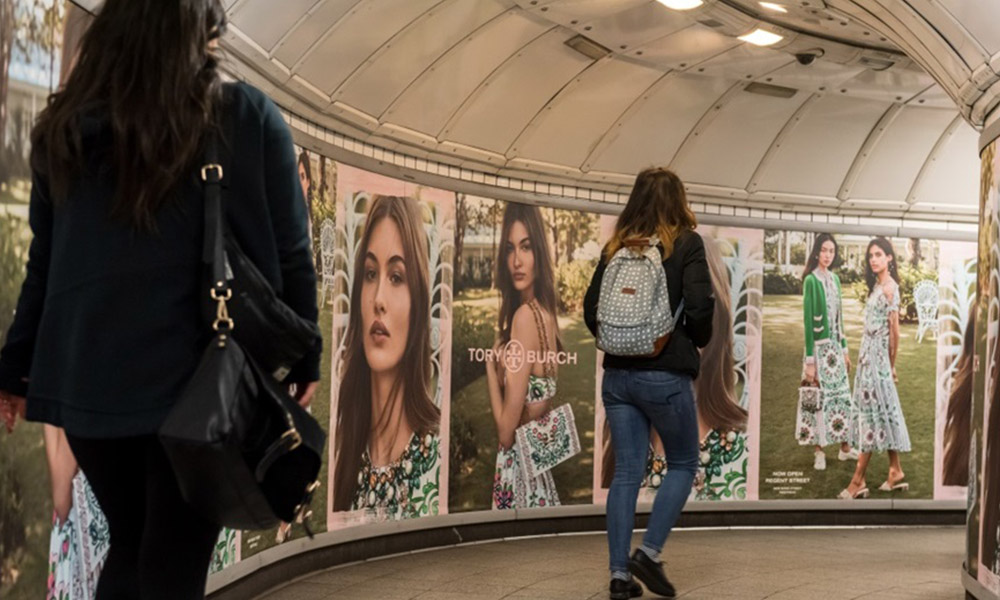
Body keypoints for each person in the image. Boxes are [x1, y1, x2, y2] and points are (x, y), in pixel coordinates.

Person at [0, 1, 320, 597]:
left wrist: (15, 367)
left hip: (90, 388)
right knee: (170, 561)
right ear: (196, 34)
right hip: (194, 388)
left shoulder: (63, 134)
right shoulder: (244, 116)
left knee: (134, 542)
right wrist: (304, 358)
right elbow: (292, 251)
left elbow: (43, 267)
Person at [584, 167, 713, 600]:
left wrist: (623, 342)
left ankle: (620, 576)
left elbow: (591, 311)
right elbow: (698, 309)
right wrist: (690, 341)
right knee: (682, 463)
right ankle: (650, 554)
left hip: (617, 378)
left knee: (625, 474)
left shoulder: (617, 247)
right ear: (678, 201)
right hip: (665, 375)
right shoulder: (686, 245)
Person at [599, 233, 747, 501]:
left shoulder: (739, 449)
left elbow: (592, 312)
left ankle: (647, 545)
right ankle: (649, 545)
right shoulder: (617, 442)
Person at [332, 195, 441, 521]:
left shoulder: (436, 457)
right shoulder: (345, 443)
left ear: (419, 299)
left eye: (396, 277)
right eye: (369, 274)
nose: (378, 299)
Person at [487, 203, 563, 510]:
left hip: (518, 476)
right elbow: (539, 405)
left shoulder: (523, 318)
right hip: (540, 478)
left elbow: (506, 433)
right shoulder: (546, 316)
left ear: (539, 254)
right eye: (509, 249)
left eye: (526, 247)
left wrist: (492, 373)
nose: (516, 261)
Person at [839, 237, 910, 500]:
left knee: (870, 415)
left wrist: (891, 366)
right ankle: (895, 470)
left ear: (890, 258)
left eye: (879, 254)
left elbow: (895, 332)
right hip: (868, 359)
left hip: (878, 362)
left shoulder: (890, 288)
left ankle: (858, 481)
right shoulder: (878, 287)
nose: (874, 259)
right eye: (871, 255)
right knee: (884, 412)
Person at [801, 233, 858, 470]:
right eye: (824, 250)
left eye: (831, 251)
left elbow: (840, 319)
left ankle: (845, 448)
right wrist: (810, 362)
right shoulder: (811, 281)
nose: (827, 255)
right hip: (818, 349)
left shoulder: (835, 279)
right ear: (816, 252)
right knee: (819, 400)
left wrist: (844, 350)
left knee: (842, 398)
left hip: (835, 349)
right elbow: (807, 322)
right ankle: (819, 451)